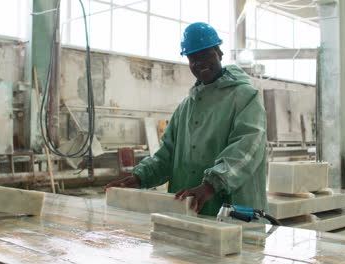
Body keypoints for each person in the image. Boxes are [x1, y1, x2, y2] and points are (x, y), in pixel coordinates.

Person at [104, 22, 268, 216]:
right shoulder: (186, 107)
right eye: (193, 58)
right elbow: (167, 156)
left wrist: (211, 185)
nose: (200, 63)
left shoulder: (245, 97)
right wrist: (139, 178)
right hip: (187, 211)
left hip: (234, 211)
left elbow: (246, 148)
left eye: (206, 55)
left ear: (220, 53)